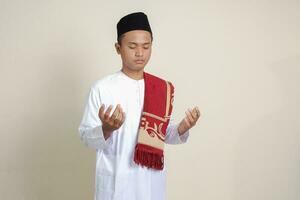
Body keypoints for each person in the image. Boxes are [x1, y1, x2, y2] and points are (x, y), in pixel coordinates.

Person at [78, 12, 201, 200]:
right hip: (116, 184)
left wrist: (183, 128)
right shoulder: (102, 88)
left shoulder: (160, 88)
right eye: (132, 46)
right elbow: (87, 137)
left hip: (151, 184)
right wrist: (106, 129)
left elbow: (161, 134)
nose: (140, 53)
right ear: (118, 48)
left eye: (146, 46)